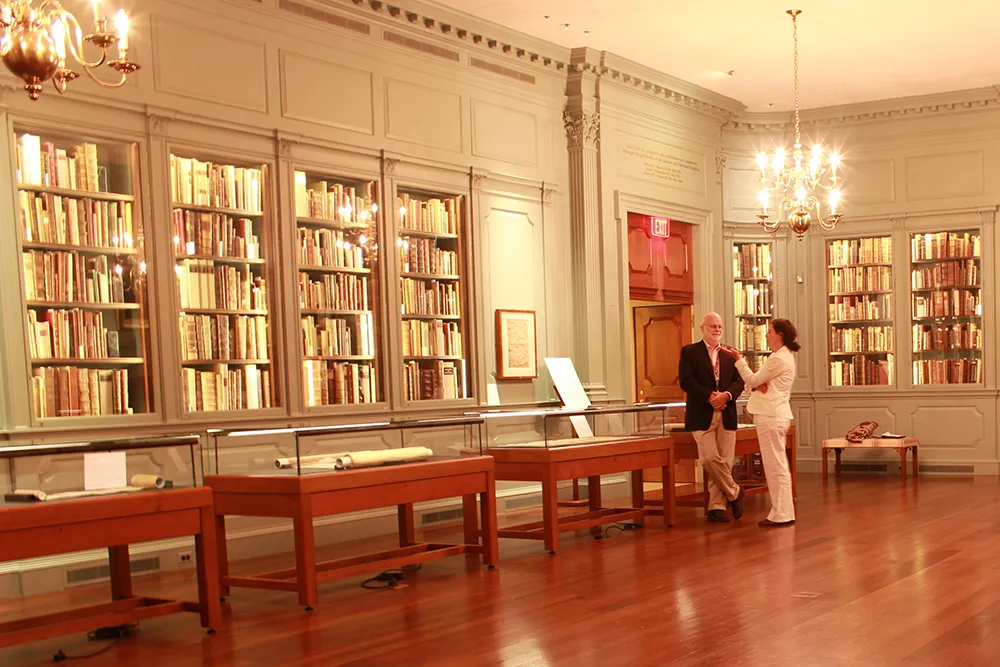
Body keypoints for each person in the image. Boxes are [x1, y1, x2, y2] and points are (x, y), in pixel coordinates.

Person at [720, 318, 799, 527]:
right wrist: (757, 384)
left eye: (770, 331)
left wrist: (739, 359)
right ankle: (783, 511)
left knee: (775, 467)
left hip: (771, 415)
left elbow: (754, 380)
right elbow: (757, 383)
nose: (766, 335)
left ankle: (781, 513)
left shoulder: (778, 359)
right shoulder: (780, 357)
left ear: (779, 335)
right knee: (777, 465)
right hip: (775, 414)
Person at [678, 312, 746, 523]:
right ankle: (735, 493)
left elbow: (739, 381)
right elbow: (686, 381)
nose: (717, 329)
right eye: (712, 326)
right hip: (701, 413)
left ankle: (716, 507)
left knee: (725, 461)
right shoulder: (690, 352)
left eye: (720, 326)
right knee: (708, 458)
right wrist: (709, 396)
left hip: (727, 412)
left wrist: (726, 395)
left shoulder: (730, 354)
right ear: (702, 328)